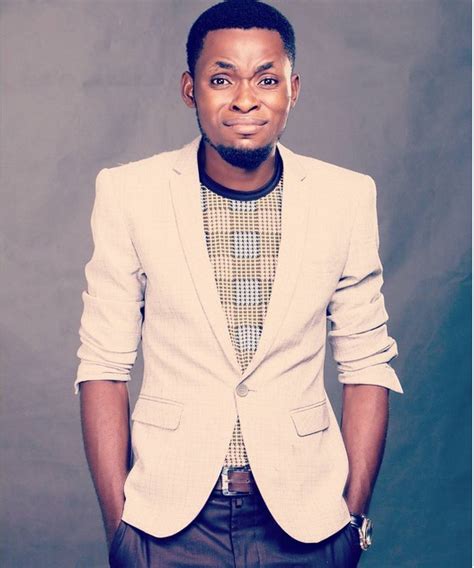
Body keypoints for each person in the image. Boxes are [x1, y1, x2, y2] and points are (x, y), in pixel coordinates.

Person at [75, 1, 404, 566]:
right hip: (167, 524)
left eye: (267, 80)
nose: (245, 100)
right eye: (222, 79)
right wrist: (120, 529)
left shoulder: (345, 198)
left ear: (293, 90)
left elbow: (367, 362)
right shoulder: (130, 193)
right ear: (190, 89)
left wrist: (351, 520)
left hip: (308, 520)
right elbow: (103, 362)